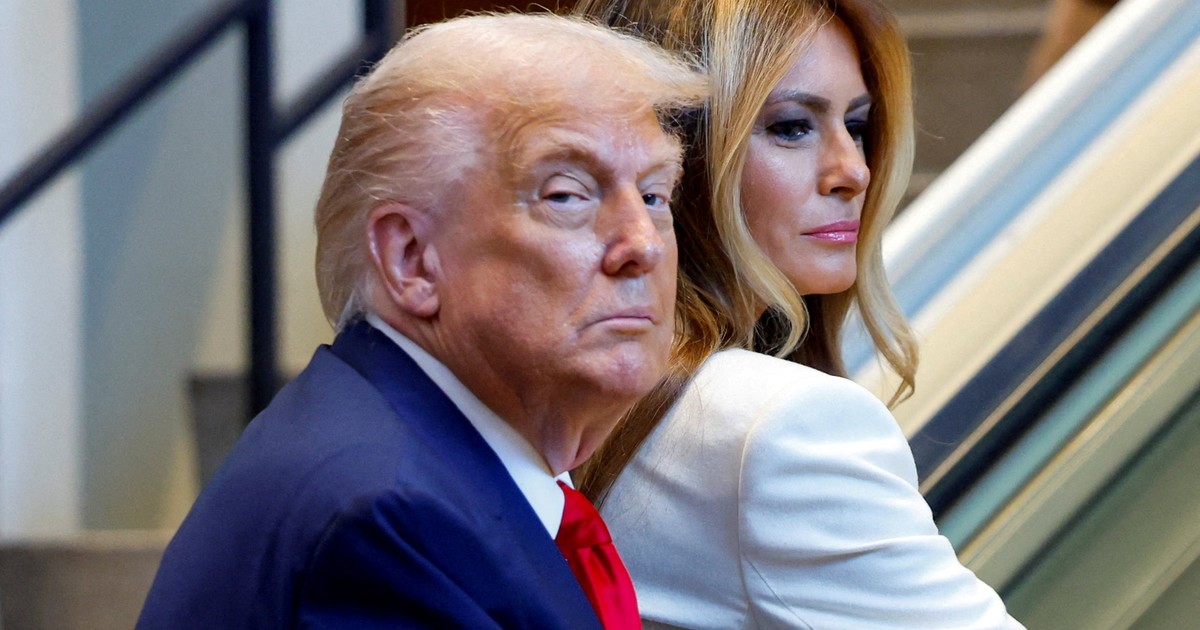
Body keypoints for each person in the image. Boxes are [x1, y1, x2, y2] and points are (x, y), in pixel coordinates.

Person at [137, 12, 706, 629]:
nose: (643, 244)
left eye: (654, 196)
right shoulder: (386, 520)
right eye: (566, 194)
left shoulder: (411, 453)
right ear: (411, 260)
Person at [573, 0, 1026, 627]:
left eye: (857, 125)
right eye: (791, 127)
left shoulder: (591, 384)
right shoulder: (780, 425)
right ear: (677, 155)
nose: (854, 171)